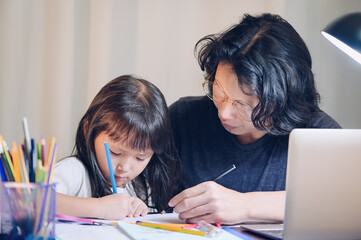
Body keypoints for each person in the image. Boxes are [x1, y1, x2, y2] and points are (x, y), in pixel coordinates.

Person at [167, 13, 341, 224]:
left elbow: (342, 205)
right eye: (219, 93)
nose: (224, 113)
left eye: (244, 105)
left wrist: (245, 206)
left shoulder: (321, 138)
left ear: (284, 101)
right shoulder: (183, 119)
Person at [53, 75, 181, 219]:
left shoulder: (142, 186)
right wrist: (99, 208)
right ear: (88, 130)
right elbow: (33, 200)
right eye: (115, 152)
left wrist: (138, 210)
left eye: (140, 158)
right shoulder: (74, 171)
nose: (124, 167)